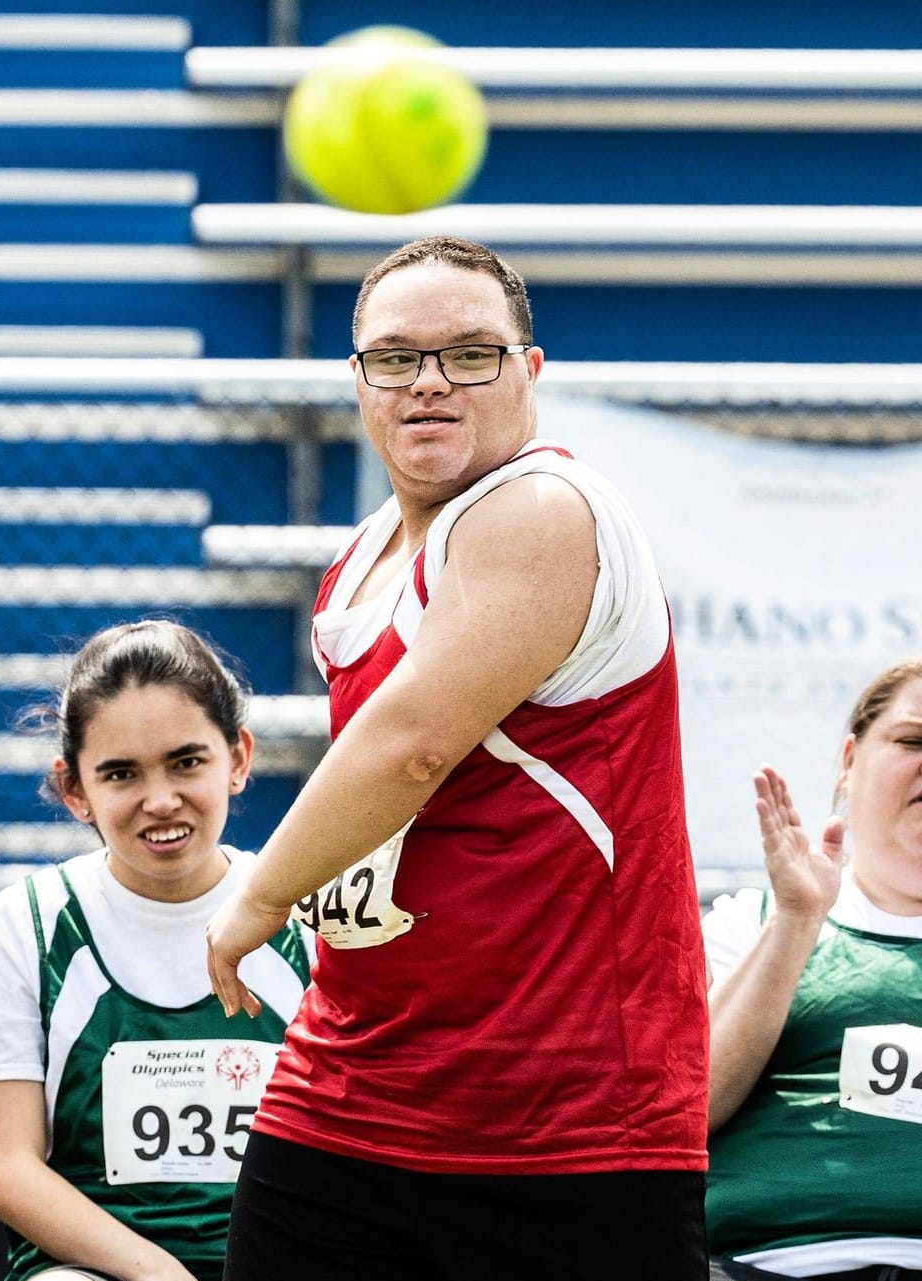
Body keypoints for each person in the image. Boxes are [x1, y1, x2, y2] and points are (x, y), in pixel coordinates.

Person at [203, 236, 708, 1279]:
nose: (429, 381)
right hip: (356, 1087)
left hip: (563, 1118)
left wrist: (257, 899)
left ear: (530, 371)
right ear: (357, 382)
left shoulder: (538, 509)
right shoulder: (365, 558)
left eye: (470, 354)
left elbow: (414, 746)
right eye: (396, 357)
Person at [0, 620, 312, 1281]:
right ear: (74, 789)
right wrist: (161, 1274)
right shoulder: (26, 926)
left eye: (187, 761)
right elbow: (8, 1172)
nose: (160, 800)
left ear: (238, 758)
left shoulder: (304, 912)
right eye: (122, 773)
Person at [703, 660, 922, 1281]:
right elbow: (683, 1107)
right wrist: (797, 922)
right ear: (850, 760)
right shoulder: (755, 919)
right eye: (912, 741)